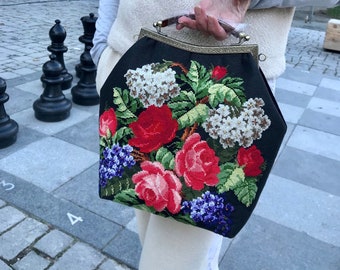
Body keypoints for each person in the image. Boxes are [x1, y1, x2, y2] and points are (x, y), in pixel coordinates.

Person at [91, 1, 339, 269]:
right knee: (147, 216)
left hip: (228, 96)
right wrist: (102, 45)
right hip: (129, 68)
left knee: (171, 258)